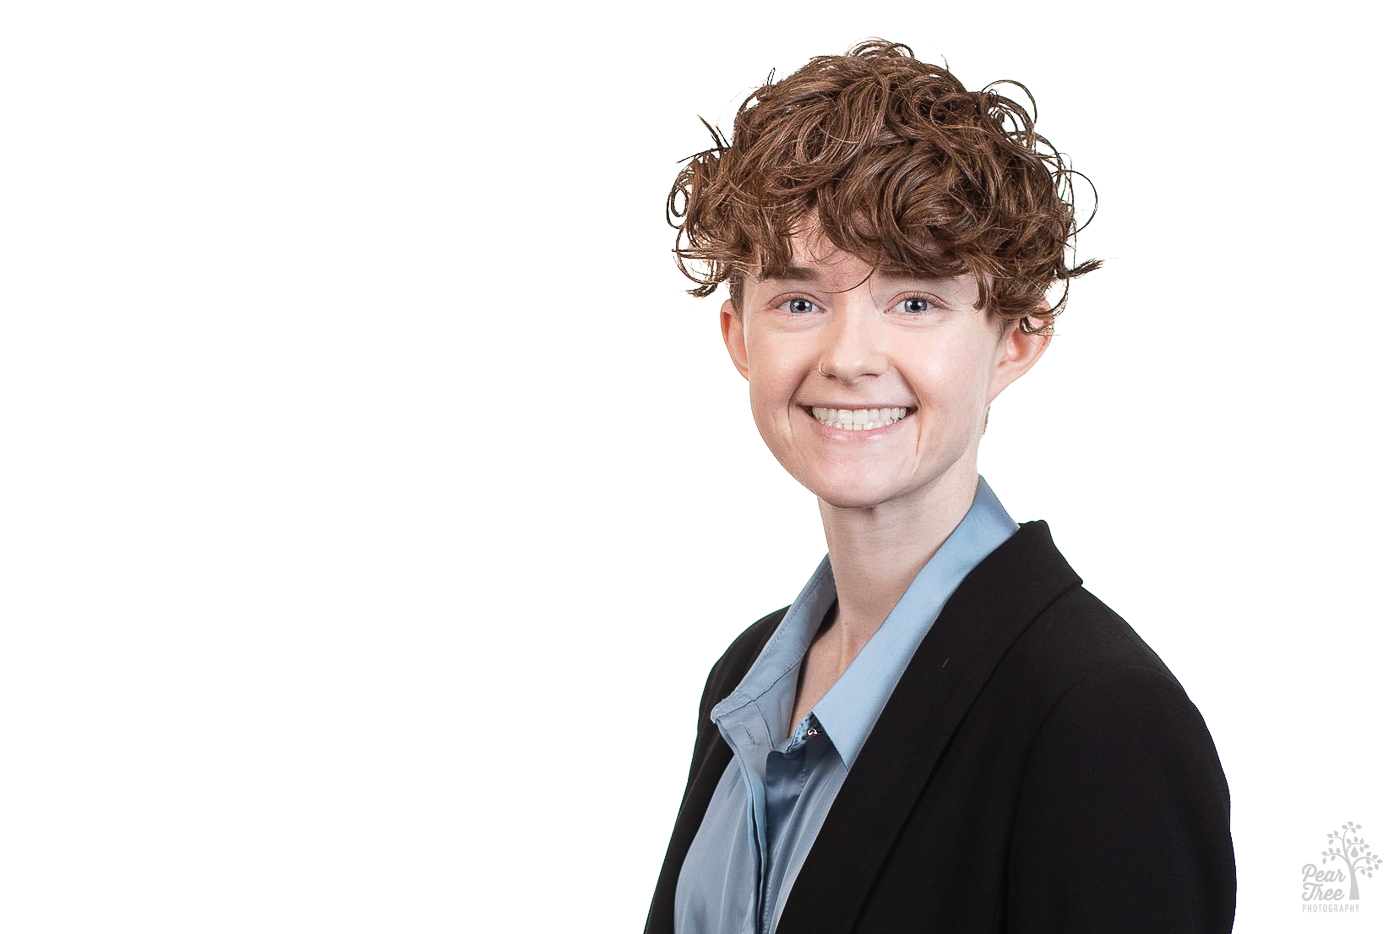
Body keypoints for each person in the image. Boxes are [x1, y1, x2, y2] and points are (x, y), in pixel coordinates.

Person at [645, 40, 1236, 934]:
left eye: (914, 302)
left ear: (1017, 339)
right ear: (738, 336)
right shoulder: (746, 681)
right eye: (799, 302)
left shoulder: (1102, 722)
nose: (847, 359)